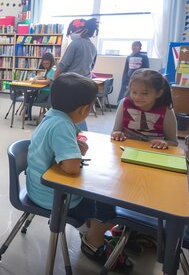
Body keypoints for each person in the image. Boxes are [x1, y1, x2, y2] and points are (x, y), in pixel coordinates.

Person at [26, 73, 131, 270]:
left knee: (99, 192)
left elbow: (67, 147)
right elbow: (72, 168)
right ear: (84, 109)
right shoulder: (62, 125)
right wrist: (75, 155)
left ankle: (89, 230)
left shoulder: (52, 116)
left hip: (38, 188)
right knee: (106, 201)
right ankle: (93, 240)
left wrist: (74, 149)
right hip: (52, 198)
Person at [111, 69, 177, 149]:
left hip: (153, 152)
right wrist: (117, 134)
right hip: (126, 149)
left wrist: (164, 143)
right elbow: (115, 132)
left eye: (144, 93)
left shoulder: (166, 111)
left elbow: (173, 142)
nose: (137, 97)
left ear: (158, 93)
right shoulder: (124, 103)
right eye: (134, 92)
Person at [55, 18, 99, 131]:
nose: (71, 34)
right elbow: (92, 67)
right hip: (86, 84)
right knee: (78, 113)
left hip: (71, 85)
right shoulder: (93, 47)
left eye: (73, 30)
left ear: (83, 30)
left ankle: (74, 134)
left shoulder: (75, 44)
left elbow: (62, 66)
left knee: (65, 113)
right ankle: (82, 134)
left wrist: (55, 83)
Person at [25, 52, 56, 120]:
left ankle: (28, 115)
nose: (45, 65)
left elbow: (47, 81)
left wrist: (36, 81)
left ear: (51, 62)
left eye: (47, 63)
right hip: (46, 93)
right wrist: (38, 78)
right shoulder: (48, 70)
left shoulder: (52, 70)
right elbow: (45, 78)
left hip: (46, 94)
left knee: (29, 98)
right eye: (44, 63)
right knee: (31, 95)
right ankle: (28, 113)